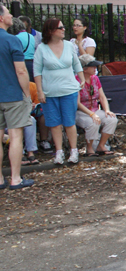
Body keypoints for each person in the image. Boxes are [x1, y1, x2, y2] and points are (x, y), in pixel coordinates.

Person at [33, 18, 85, 165]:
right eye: (60, 27)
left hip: (69, 90)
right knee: (54, 123)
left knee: (69, 122)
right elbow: (37, 71)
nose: (64, 29)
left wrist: (81, 79)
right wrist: (40, 91)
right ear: (50, 31)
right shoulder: (41, 48)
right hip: (50, 92)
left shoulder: (69, 46)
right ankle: (59, 151)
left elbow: (76, 63)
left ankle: (74, 151)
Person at [0, 4, 34, 190]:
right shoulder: (12, 40)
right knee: (15, 136)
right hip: (12, 94)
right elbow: (21, 71)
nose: (11, 15)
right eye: (8, 12)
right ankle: (15, 178)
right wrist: (27, 94)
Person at [75, 54, 118, 156]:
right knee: (93, 121)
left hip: (94, 109)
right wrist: (91, 114)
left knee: (111, 119)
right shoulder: (76, 80)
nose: (95, 68)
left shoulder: (95, 78)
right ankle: (89, 148)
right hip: (80, 111)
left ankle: (101, 145)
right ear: (84, 69)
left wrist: (107, 110)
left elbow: (102, 97)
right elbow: (77, 103)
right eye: (93, 66)